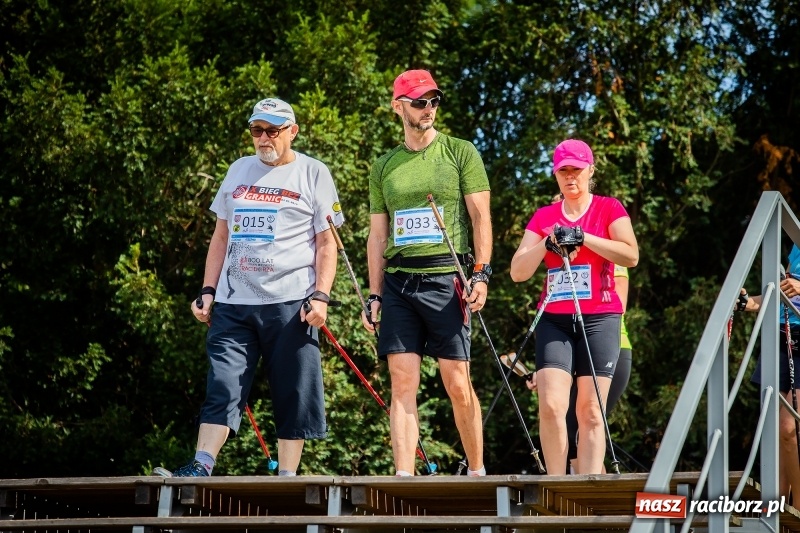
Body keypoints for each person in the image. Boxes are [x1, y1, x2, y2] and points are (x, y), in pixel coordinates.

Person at [154, 97, 344, 477]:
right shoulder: (239, 169)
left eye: (272, 131)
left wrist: (321, 296)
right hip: (233, 302)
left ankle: (287, 478)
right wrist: (207, 290)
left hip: (292, 303)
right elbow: (220, 235)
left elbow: (328, 243)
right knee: (223, 383)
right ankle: (201, 465)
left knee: (293, 390)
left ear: (292, 131)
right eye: (257, 130)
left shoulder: (313, 172)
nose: (263, 138)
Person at [362, 69, 491, 477]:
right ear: (398, 106)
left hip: (446, 277)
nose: (429, 109)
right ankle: (403, 479)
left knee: (457, 382)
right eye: (419, 102)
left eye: (434, 100)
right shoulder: (384, 165)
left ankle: (477, 471)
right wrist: (375, 293)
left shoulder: (460, 151)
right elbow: (377, 235)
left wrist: (483, 274)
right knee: (402, 384)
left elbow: (480, 217)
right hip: (399, 282)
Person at [510, 139, 638, 475]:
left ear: (590, 171)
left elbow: (631, 255)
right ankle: (555, 485)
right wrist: (545, 242)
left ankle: (589, 486)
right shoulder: (544, 216)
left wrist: (582, 237)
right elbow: (518, 272)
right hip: (555, 318)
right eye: (563, 171)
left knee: (591, 410)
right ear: (555, 175)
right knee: (551, 405)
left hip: (600, 317)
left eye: (576, 171)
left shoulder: (609, 208)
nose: (570, 178)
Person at [526, 264, 633, 474]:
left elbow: (619, 301)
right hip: (571, 344)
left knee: (582, 423)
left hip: (612, 347)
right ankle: (581, 493)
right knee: (566, 424)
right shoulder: (559, 256)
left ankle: (594, 496)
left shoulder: (607, 250)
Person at [742, 244, 800, 500]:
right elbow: (784, 293)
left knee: (789, 428)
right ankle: (776, 515)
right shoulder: (798, 242)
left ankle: (797, 513)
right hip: (781, 334)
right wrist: (750, 303)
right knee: (775, 432)